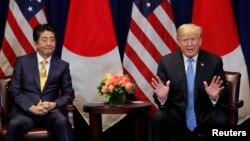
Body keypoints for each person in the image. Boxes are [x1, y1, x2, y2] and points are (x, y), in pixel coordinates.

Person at [151, 23, 229, 141]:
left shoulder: (214, 61)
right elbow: (159, 93)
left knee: (221, 119)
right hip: (177, 116)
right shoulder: (166, 63)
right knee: (159, 117)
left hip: (204, 114)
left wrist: (215, 97)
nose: (189, 44)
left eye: (193, 39)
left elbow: (224, 94)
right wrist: (162, 98)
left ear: (200, 41)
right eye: (185, 40)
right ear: (179, 42)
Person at [6, 24, 75, 141]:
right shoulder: (22, 62)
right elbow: (14, 89)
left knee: (63, 122)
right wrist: (31, 107)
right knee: (13, 125)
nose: (49, 43)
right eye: (44, 39)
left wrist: (53, 104)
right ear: (36, 43)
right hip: (25, 113)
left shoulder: (63, 66)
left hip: (50, 113)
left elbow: (69, 94)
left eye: (52, 40)